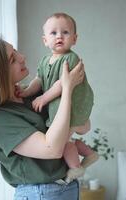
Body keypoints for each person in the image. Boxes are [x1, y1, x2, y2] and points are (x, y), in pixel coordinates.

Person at [0, 35, 86, 199]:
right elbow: (52, 149)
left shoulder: (30, 95)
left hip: (66, 187)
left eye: (16, 51)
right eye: (12, 59)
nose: (22, 57)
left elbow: (83, 125)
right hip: (41, 193)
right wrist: (67, 89)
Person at [18, 13, 98, 182]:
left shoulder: (71, 58)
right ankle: (89, 153)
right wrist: (27, 92)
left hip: (71, 106)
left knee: (63, 143)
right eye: (53, 33)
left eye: (65, 32)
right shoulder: (45, 60)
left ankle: (76, 168)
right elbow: (38, 80)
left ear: (75, 39)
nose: (59, 36)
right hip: (58, 106)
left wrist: (43, 99)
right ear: (45, 40)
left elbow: (62, 84)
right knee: (67, 138)